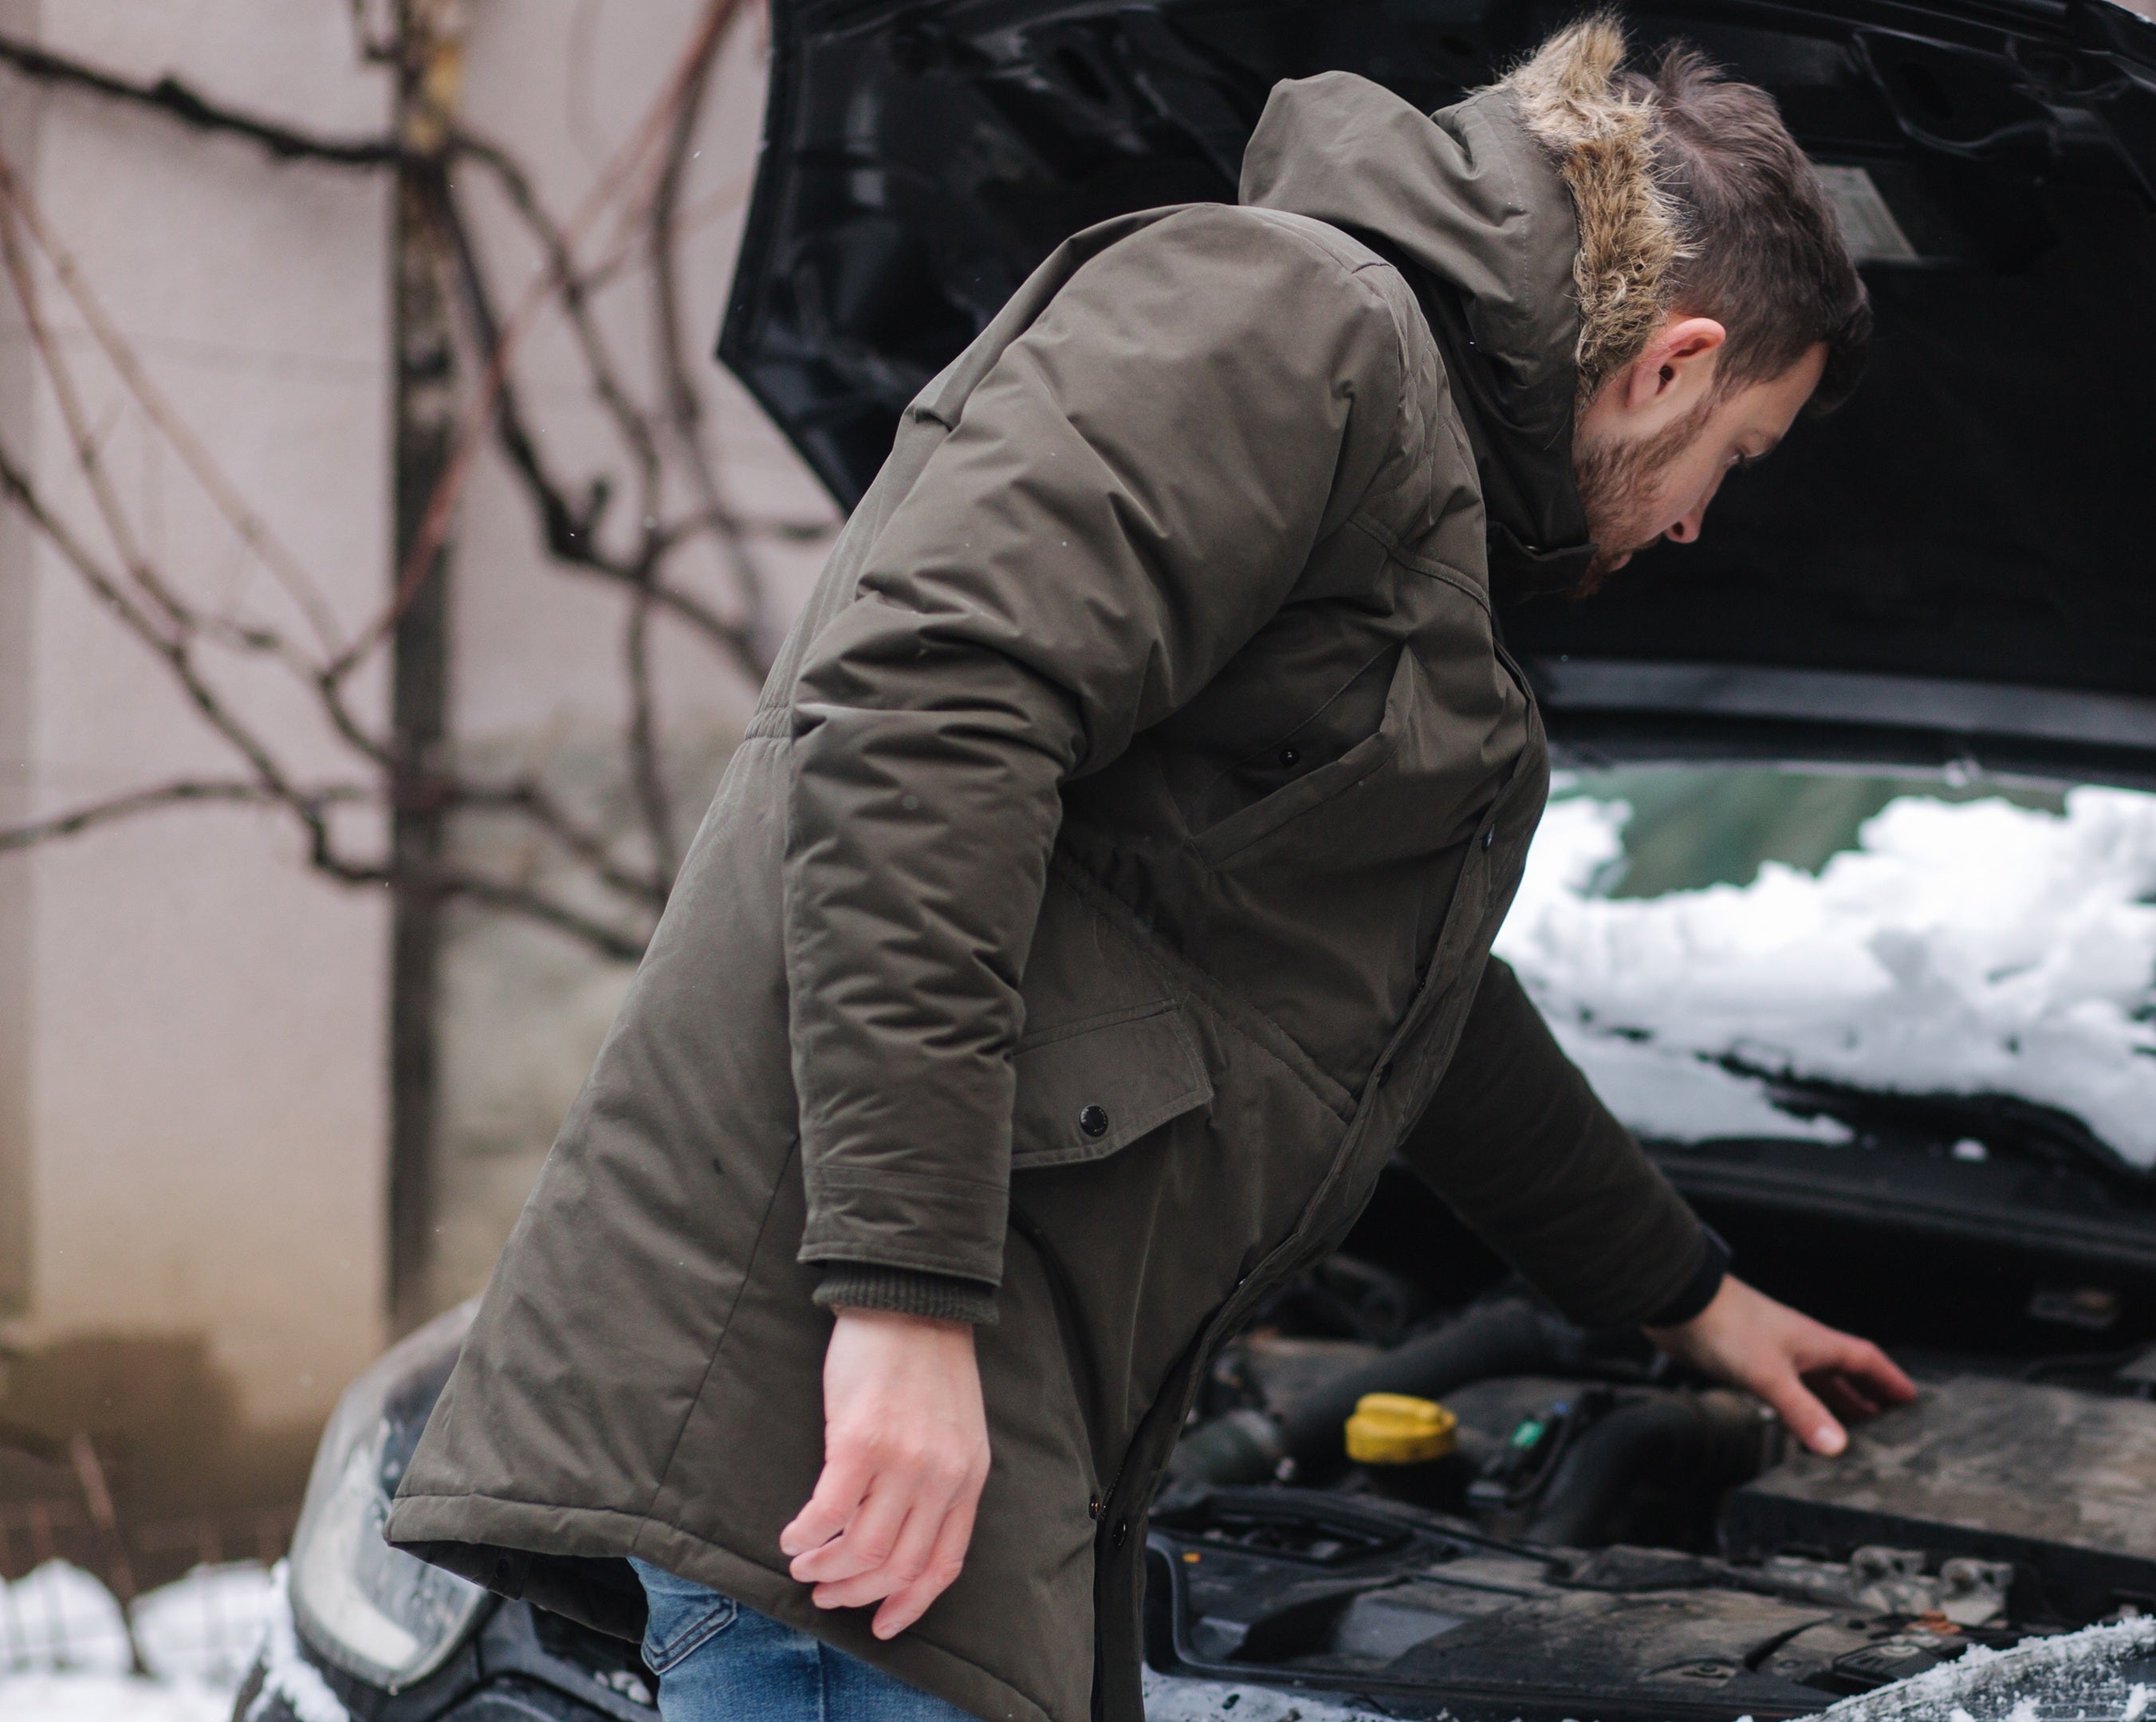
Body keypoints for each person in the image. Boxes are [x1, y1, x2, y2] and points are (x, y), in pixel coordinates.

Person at [388, 16, 1912, 1722]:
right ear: (1674, 362)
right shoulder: (1288, 321)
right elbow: (920, 719)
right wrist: (903, 1307)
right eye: (1737, 459)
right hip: (841, 1431)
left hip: (970, 1426)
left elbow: (1396, 1001)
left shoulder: (1404, 474)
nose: (1701, 519)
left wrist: (1684, 1293)